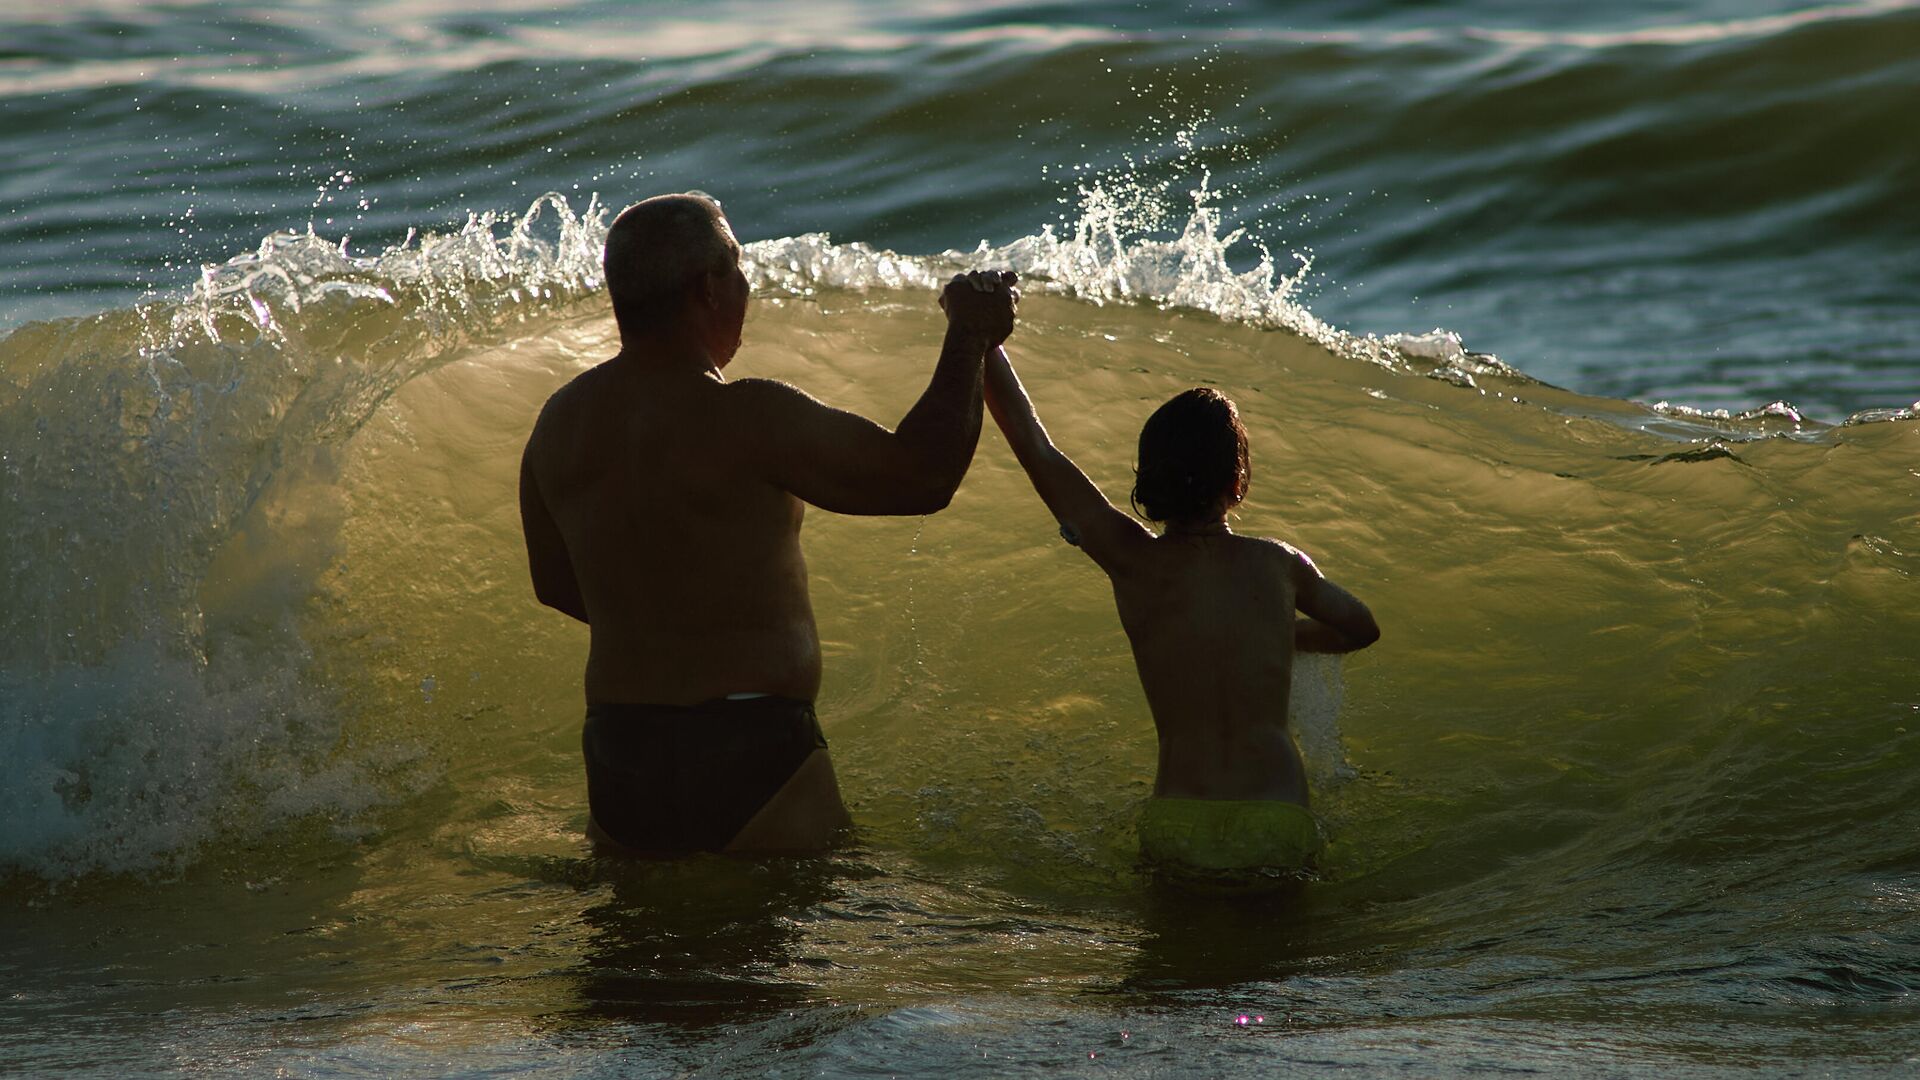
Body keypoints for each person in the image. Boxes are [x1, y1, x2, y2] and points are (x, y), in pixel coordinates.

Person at [519, 192, 1017, 855]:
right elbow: (921, 476)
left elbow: (554, 583)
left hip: (620, 751)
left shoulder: (559, 425)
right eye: (738, 267)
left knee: (641, 955)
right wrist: (970, 334)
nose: (747, 287)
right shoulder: (746, 415)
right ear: (707, 288)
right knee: (786, 947)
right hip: (752, 747)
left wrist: (668, 620)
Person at [982, 347, 1379, 876]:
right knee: (1277, 957)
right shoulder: (1279, 565)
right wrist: (1281, 635)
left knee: (1172, 958)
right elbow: (1359, 627)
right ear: (1236, 484)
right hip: (1276, 813)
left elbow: (1036, 447)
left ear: (1151, 483)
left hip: (1176, 817)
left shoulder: (1134, 561)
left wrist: (982, 340)